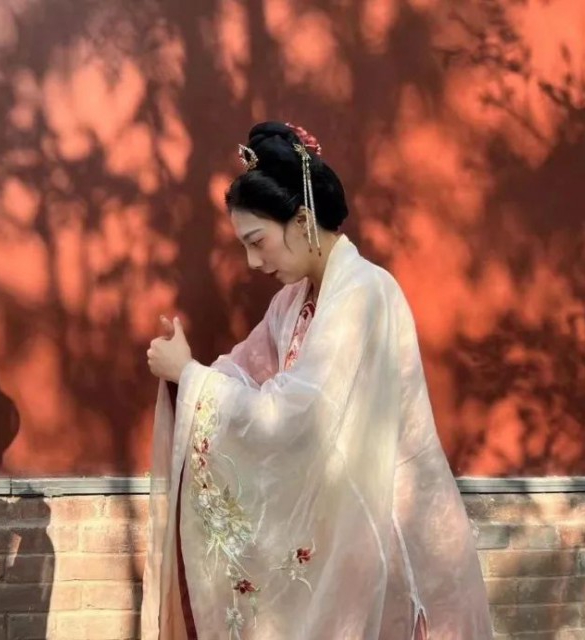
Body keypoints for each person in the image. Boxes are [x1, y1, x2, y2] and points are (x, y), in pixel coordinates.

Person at [141, 122, 493, 639]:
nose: (253, 262)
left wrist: (190, 377)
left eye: (258, 241)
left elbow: (295, 415)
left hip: (393, 537)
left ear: (303, 220)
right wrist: (189, 376)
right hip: (347, 534)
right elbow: (245, 372)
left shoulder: (364, 293)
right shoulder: (293, 302)